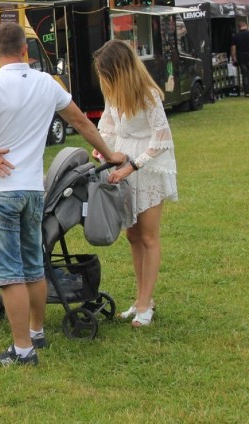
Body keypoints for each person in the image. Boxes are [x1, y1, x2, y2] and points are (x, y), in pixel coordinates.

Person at [0, 23, 124, 366]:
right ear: (25, 51)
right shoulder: (47, 83)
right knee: (34, 266)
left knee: (9, 273)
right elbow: (81, 123)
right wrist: (109, 155)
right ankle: (35, 331)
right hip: (34, 190)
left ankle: (21, 350)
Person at [93, 39, 179, 328]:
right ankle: (142, 299)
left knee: (148, 236)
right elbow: (106, 125)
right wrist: (103, 148)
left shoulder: (148, 94)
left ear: (120, 70)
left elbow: (162, 138)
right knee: (132, 235)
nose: (104, 80)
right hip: (124, 164)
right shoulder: (113, 93)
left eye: (107, 73)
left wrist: (133, 165)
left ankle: (146, 302)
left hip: (148, 166)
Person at [229, 21, 249, 97]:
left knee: (245, 75)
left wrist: (234, 58)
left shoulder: (235, 36)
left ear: (238, 27)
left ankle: (247, 93)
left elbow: (233, 48)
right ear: (246, 26)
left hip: (241, 58)